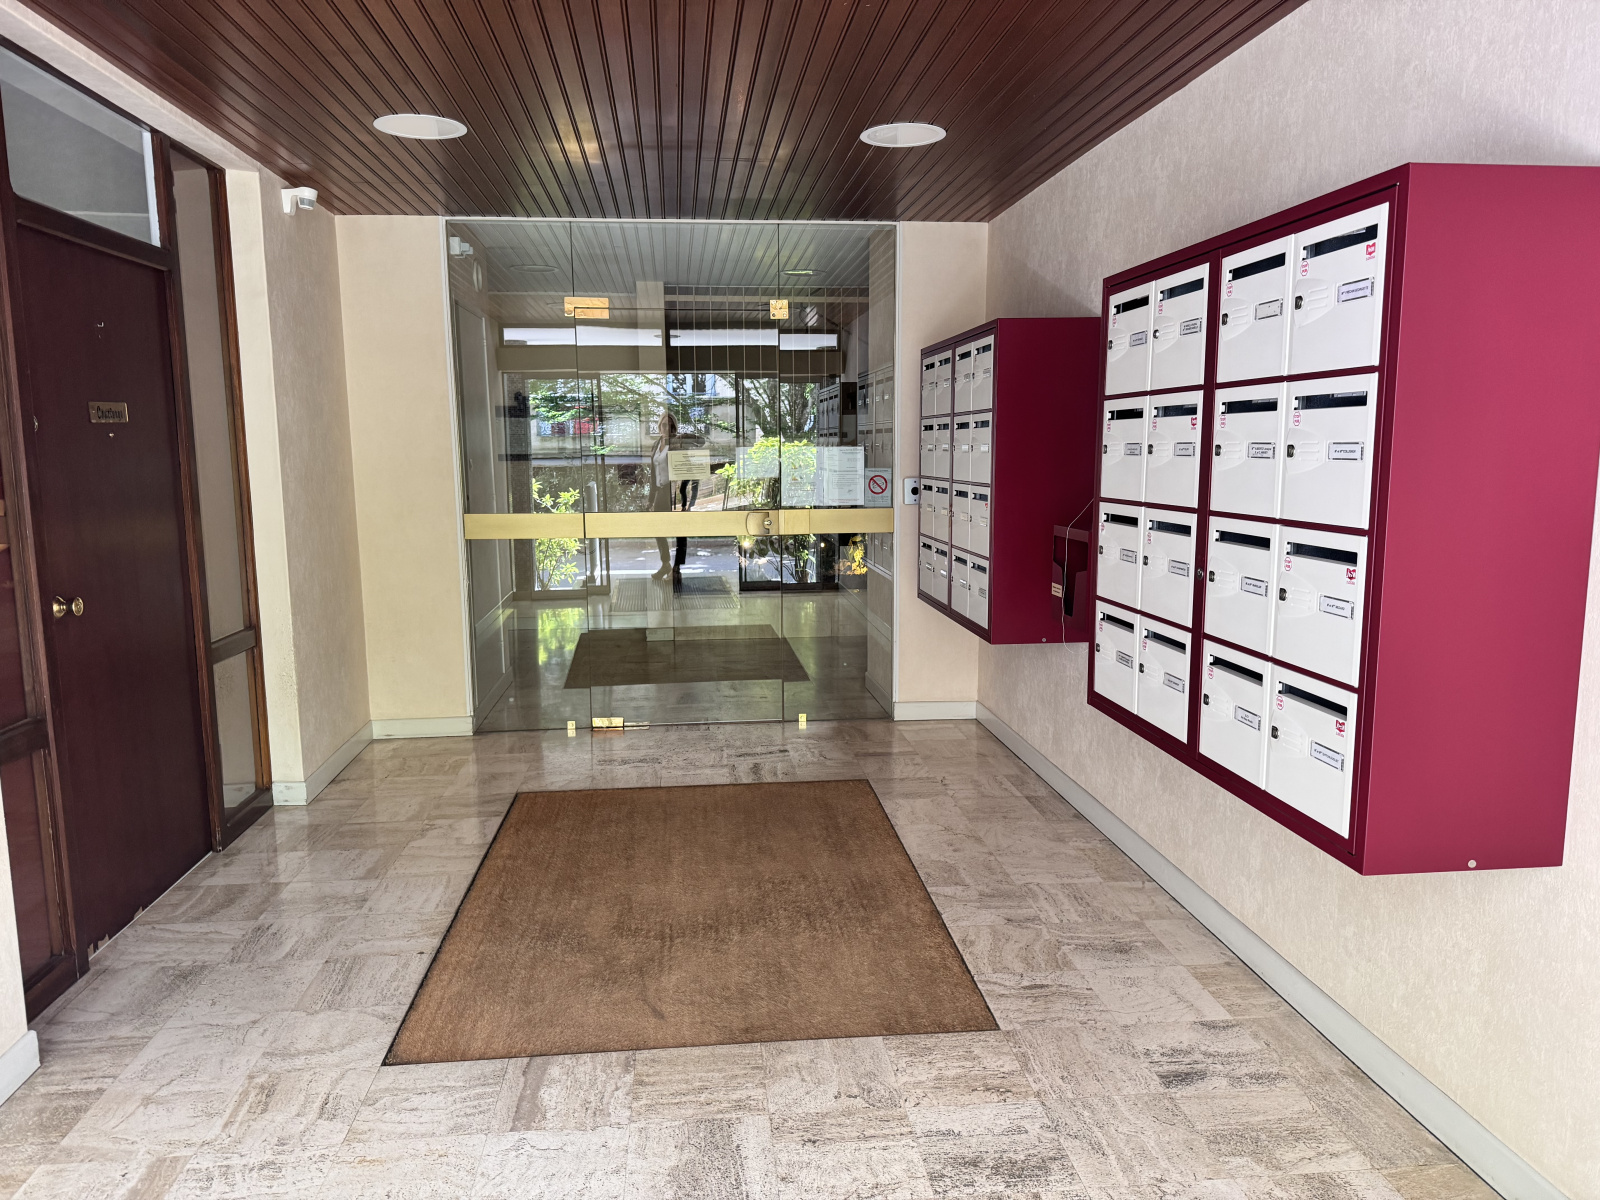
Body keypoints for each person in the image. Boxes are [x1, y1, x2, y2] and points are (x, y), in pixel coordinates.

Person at [648, 410, 699, 584]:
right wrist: (651, 498)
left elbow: (701, 442)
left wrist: (685, 436)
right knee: (657, 529)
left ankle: (676, 569)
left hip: (675, 492)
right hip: (660, 492)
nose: (666, 428)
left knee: (679, 532)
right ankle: (665, 564)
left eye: (670, 426)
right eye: (664, 425)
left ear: (674, 427)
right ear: (659, 426)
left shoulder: (678, 442)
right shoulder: (656, 444)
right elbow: (653, 473)